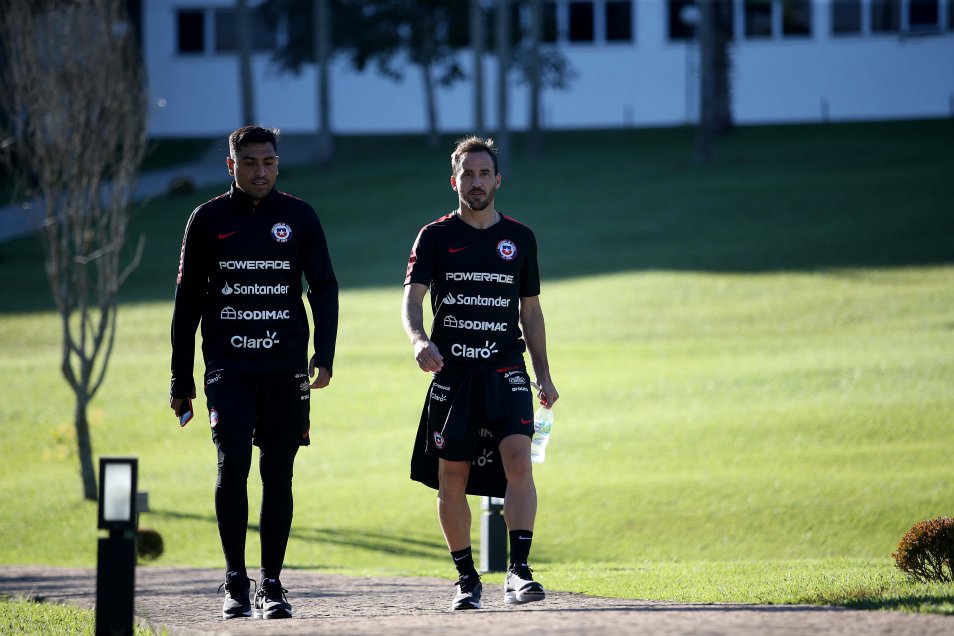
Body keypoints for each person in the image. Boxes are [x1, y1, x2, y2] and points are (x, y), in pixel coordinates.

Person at [169, 125, 338, 620]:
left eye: (268, 162)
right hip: (229, 367)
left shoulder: (300, 216)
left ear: (278, 164)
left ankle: (273, 584)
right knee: (233, 465)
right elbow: (187, 303)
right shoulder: (207, 219)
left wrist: (324, 354)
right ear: (231, 166)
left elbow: (323, 287)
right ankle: (235, 582)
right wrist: (180, 378)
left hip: (286, 368)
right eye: (249, 163)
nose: (259, 172)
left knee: (278, 473)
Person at [402, 136, 559, 611]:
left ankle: (519, 571)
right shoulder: (434, 237)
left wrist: (544, 374)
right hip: (454, 374)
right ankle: (466, 578)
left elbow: (530, 312)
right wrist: (419, 340)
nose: (476, 182)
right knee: (452, 476)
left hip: (506, 368)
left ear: (497, 180)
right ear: (454, 181)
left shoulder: (521, 238)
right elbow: (412, 300)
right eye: (467, 174)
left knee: (519, 461)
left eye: (483, 173)